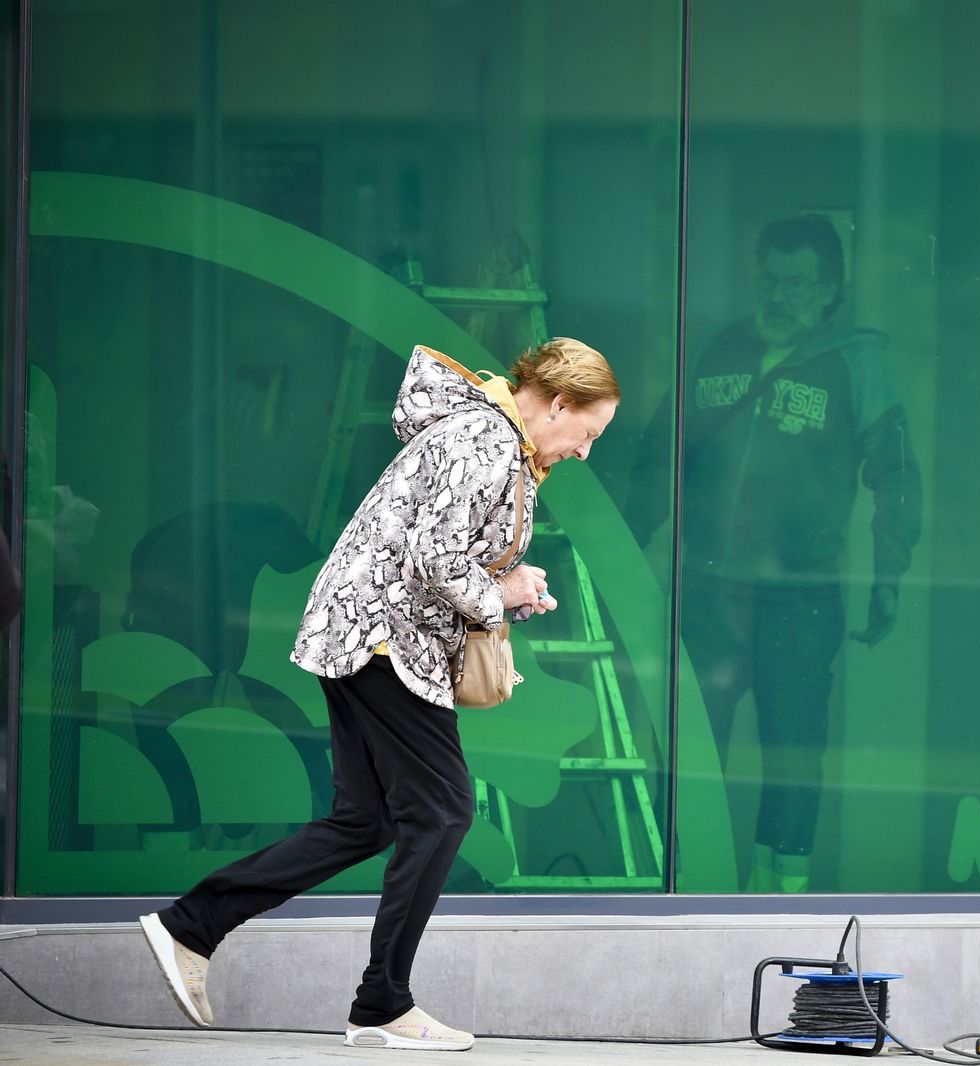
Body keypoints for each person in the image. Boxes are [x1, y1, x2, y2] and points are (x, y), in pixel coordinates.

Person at [140, 337, 620, 1051]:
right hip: (384, 644)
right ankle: (383, 1002)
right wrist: (504, 590)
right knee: (444, 811)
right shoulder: (487, 439)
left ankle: (193, 925)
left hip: (363, 634)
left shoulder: (491, 439)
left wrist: (500, 595)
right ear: (557, 404)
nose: (586, 452)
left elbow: (437, 550)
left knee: (366, 822)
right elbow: (435, 559)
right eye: (588, 433)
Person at [628, 214, 922, 893]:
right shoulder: (719, 351)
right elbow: (660, 459)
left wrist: (889, 575)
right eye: (769, 278)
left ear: (828, 292)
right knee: (693, 753)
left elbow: (897, 475)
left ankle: (777, 899)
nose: (779, 294)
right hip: (710, 595)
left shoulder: (859, 362)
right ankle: (682, 889)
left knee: (792, 756)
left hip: (801, 597)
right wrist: (616, 542)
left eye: (797, 283)